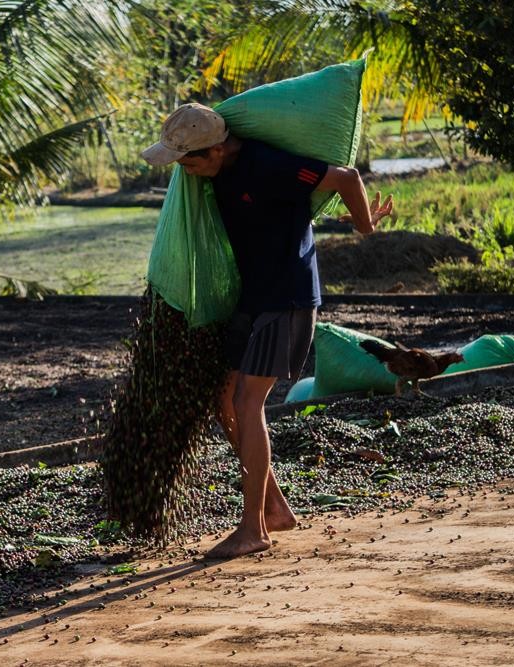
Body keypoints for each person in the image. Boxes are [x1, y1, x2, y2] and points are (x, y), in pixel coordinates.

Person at [142, 103, 394, 558]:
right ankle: (275, 509)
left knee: (247, 401)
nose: (183, 171)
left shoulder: (267, 164)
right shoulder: (216, 171)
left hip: (288, 299)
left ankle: (252, 528)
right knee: (225, 398)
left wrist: (363, 225)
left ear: (217, 151)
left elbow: (346, 177)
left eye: (188, 161)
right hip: (253, 298)